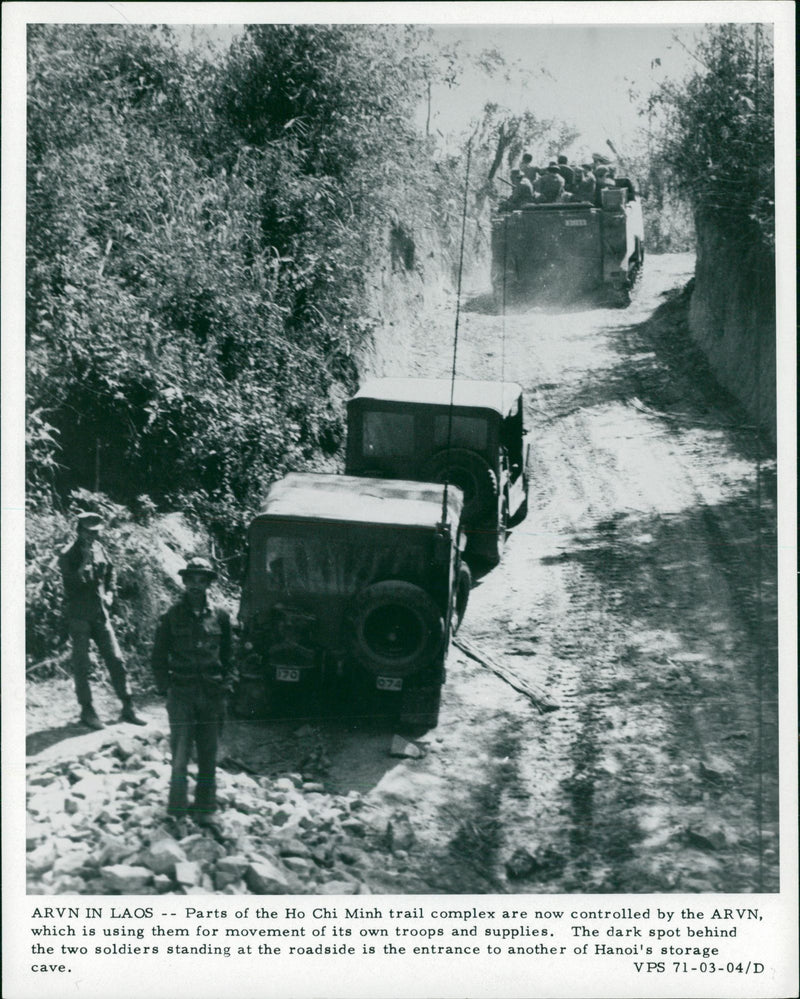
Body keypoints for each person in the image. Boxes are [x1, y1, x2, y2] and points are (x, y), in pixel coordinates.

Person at [151, 556, 235, 826]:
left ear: (209, 583)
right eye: (192, 580)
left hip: (211, 694)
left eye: (202, 580)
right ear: (185, 582)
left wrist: (226, 685)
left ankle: (205, 808)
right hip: (182, 693)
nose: (196, 586)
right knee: (180, 753)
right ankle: (176, 809)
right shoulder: (171, 617)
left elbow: (229, 656)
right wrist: (167, 689)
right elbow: (158, 657)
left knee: (209, 753)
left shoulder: (221, 616)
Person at [59, 512, 146, 730]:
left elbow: (110, 572)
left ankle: (128, 706)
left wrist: (109, 594)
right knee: (82, 664)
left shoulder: (100, 549)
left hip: (100, 614)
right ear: (79, 531)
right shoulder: (67, 554)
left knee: (116, 659)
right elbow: (71, 585)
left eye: (96, 532)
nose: (93, 537)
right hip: (79, 616)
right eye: (89, 532)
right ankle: (87, 710)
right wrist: (84, 563)